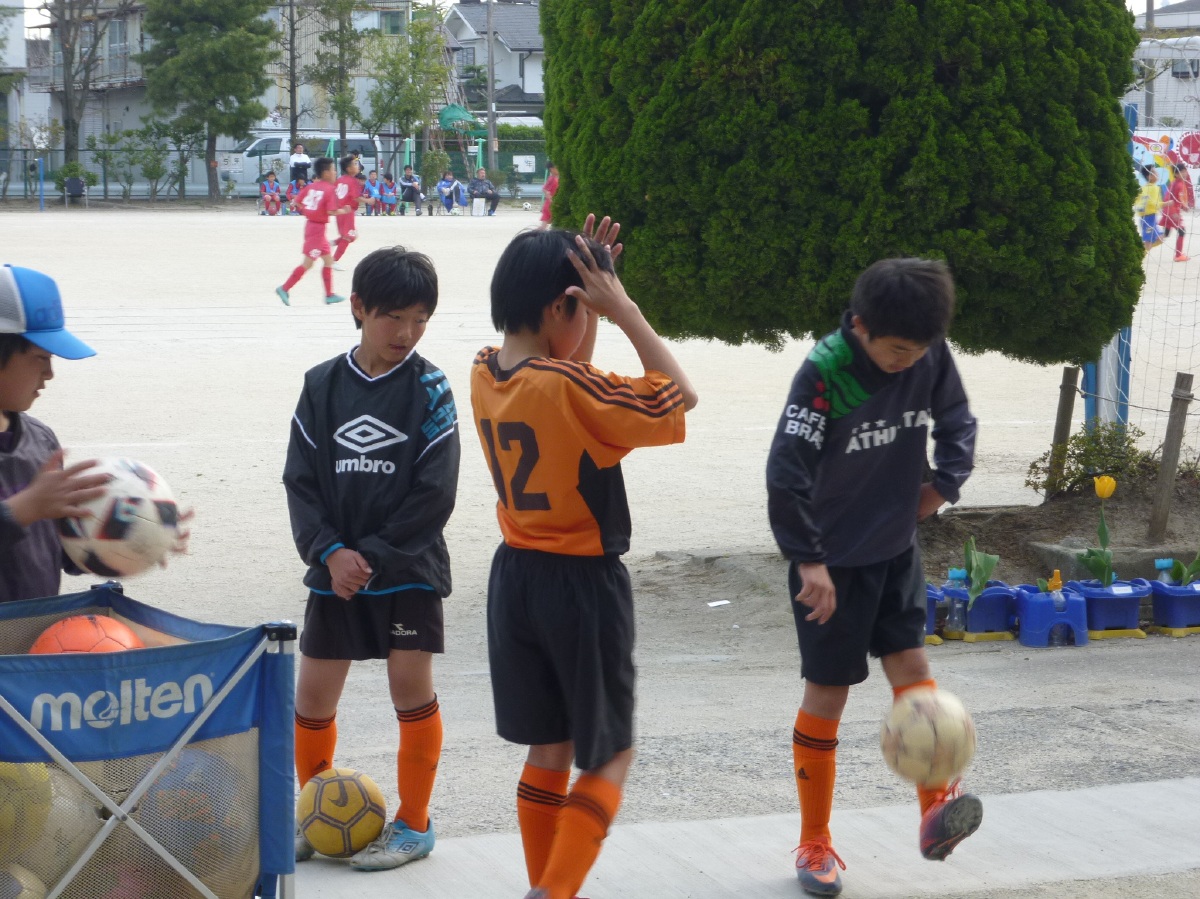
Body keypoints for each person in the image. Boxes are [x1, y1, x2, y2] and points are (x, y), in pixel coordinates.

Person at [470, 216, 698, 899]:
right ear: (555, 309)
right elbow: (679, 395)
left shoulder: (485, 369)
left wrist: (586, 309)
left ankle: (543, 882)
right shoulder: (570, 389)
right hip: (581, 584)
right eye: (581, 307)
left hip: (516, 578)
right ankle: (556, 890)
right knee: (609, 753)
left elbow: (566, 372)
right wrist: (623, 309)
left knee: (549, 748)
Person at [765, 257, 979, 897]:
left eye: (918, 352)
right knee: (828, 694)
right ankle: (815, 842)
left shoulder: (927, 352)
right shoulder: (825, 373)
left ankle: (935, 810)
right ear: (860, 326)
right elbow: (786, 473)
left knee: (913, 672)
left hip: (894, 552)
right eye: (896, 352)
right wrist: (808, 560)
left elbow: (957, 421)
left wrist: (942, 486)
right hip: (830, 562)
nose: (907, 363)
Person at [285, 246, 460, 872]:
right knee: (312, 699)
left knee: (410, 690)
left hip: (408, 571)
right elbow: (300, 481)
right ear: (358, 307)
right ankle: (315, 816)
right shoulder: (321, 385)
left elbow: (435, 492)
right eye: (393, 317)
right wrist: (331, 552)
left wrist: (374, 557)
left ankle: (414, 822)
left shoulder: (432, 388)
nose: (406, 333)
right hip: (336, 573)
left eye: (420, 320)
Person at [0, 265, 107, 604]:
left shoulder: (40, 441)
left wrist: (136, 536)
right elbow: (25, 513)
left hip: (28, 632)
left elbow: (57, 550)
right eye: (40, 357)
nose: (49, 373)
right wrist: (22, 509)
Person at [276, 157, 347, 306]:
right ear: (326, 173)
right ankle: (284, 288)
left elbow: (296, 201)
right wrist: (345, 210)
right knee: (308, 263)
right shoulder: (329, 189)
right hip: (317, 230)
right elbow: (331, 211)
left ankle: (329, 294)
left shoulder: (311, 186)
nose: (335, 173)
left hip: (313, 226)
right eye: (333, 170)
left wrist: (309, 211)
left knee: (328, 260)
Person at [333, 155, 364, 265]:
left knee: (350, 236)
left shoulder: (340, 180)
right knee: (348, 237)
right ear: (349, 169)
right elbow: (355, 197)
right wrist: (368, 200)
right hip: (347, 211)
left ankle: (330, 243)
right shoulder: (353, 181)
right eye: (355, 164)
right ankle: (334, 261)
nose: (357, 166)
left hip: (340, 212)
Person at [1160, 163, 1194, 262]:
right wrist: (1175, 211)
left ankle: (1146, 244)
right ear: (1176, 174)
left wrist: (1183, 206)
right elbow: (1172, 199)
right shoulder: (1179, 185)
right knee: (1182, 231)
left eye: (1185, 171)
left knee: (1166, 234)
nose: (1184, 173)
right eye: (1181, 172)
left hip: (1167, 212)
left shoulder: (1174, 183)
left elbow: (1174, 198)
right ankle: (1178, 255)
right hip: (1172, 212)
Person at [1135, 165, 1165, 254]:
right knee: (1149, 242)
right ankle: (1139, 253)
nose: (1157, 174)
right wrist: (1166, 204)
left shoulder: (1144, 188)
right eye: (1155, 172)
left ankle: (1140, 250)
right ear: (1150, 176)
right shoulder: (1154, 188)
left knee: (1160, 239)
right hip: (1149, 218)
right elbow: (1153, 203)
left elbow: (1138, 201)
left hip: (1149, 218)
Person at [537, 162, 559, 230]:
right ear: (552, 169)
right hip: (550, 205)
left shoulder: (557, 177)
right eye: (556, 167)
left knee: (545, 226)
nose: (558, 169)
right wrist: (550, 198)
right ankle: (532, 234)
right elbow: (545, 189)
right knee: (543, 227)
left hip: (553, 203)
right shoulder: (552, 178)